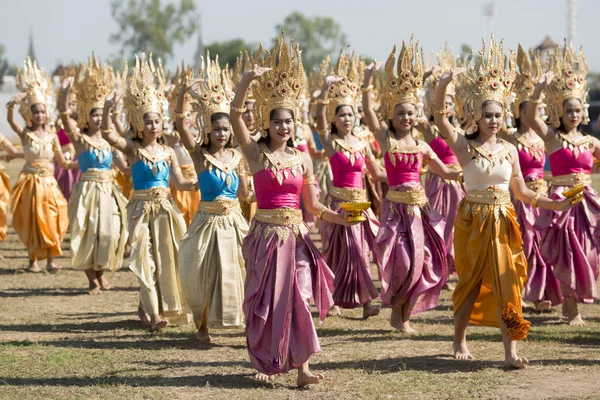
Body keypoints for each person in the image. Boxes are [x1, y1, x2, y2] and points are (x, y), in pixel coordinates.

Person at [434, 38, 577, 368]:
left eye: (498, 115)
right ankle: (459, 340)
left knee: (508, 283)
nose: (494, 121)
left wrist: (555, 206)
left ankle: (511, 352)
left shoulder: (510, 150)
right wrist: (443, 85)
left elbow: (523, 193)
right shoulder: (464, 146)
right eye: (488, 115)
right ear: (477, 116)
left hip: (504, 220)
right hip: (472, 219)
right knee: (470, 284)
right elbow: (442, 121)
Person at [230, 31, 357, 387]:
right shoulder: (257, 156)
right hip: (265, 238)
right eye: (276, 122)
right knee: (268, 302)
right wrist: (244, 83)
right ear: (267, 124)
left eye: (288, 122)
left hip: (298, 237)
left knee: (300, 294)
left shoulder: (303, 160)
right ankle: (268, 356)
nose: (283, 127)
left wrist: (340, 217)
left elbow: (314, 204)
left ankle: (302, 370)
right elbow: (234, 116)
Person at [361, 38, 459, 333]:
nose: (406, 118)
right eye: (401, 113)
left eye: (411, 113)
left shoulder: (423, 146)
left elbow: (448, 173)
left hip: (420, 212)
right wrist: (367, 80)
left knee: (421, 261)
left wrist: (479, 172)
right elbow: (366, 111)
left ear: (417, 115)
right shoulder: (386, 140)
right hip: (394, 211)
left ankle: (402, 317)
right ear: (391, 115)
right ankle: (396, 310)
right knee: (401, 260)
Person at [101, 51, 195, 331]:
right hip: (140, 209)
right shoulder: (133, 149)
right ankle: (154, 315)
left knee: (166, 258)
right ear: (139, 125)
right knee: (144, 258)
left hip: (166, 208)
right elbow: (109, 135)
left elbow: (179, 183)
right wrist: (107, 110)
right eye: (148, 122)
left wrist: (200, 184)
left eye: (157, 121)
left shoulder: (168, 152)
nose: (154, 126)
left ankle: (154, 307)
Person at [175, 53, 249, 343]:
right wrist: (182, 93)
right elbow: (181, 126)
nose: (221, 133)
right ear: (207, 129)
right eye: (216, 128)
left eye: (225, 129)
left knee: (241, 270)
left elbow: (244, 193)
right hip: (206, 222)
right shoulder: (200, 156)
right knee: (202, 272)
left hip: (233, 222)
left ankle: (242, 320)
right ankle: (202, 326)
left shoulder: (237, 157)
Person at [526, 41, 600, 326]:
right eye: (568, 110)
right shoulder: (553, 139)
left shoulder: (591, 141)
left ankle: (578, 299)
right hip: (562, 200)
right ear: (560, 112)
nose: (573, 115)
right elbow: (532, 117)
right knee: (568, 252)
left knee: (589, 251)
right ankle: (571, 309)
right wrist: (537, 91)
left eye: (578, 110)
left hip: (588, 201)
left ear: (584, 113)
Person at [315, 50, 386, 318]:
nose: (347, 118)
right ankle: (331, 301)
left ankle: (367, 303)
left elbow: (377, 174)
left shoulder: (363, 143)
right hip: (337, 205)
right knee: (335, 253)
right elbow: (319, 124)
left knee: (362, 252)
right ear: (335, 118)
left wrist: (407, 179)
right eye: (342, 114)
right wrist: (324, 90)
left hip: (361, 206)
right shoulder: (332, 144)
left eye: (351, 114)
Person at [57, 56, 129, 295]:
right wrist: (64, 93)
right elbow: (65, 118)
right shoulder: (80, 140)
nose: (99, 119)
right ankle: (92, 280)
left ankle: (101, 273)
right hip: (87, 192)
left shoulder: (110, 142)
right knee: (88, 233)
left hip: (109, 191)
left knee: (109, 232)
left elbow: (125, 167)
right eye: (95, 115)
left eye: (102, 115)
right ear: (88, 117)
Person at [7, 58, 73, 273]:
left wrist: (78, 163)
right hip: (31, 182)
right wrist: (12, 106)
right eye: (36, 112)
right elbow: (12, 123)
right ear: (31, 114)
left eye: (42, 112)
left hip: (49, 183)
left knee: (55, 217)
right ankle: (33, 260)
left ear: (47, 113)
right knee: (33, 220)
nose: (39, 115)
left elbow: (62, 161)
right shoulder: (26, 134)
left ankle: (51, 260)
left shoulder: (53, 135)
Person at [505, 45, 558, 311]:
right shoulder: (509, 138)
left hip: (541, 195)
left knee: (541, 243)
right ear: (518, 112)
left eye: (532, 110)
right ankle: (518, 292)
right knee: (522, 244)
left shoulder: (542, 138)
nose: (529, 114)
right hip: (519, 197)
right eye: (524, 110)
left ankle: (539, 293)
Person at [420, 48, 467, 277]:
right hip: (438, 183)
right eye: (442, 102)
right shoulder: (429, 130)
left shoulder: (462, 129)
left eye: (450, 102)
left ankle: (458, 266)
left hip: (460, 183)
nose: (446, 106)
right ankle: (441, 266)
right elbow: (410, 101)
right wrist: (424, 79)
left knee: (461, 225)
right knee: (441, 226)